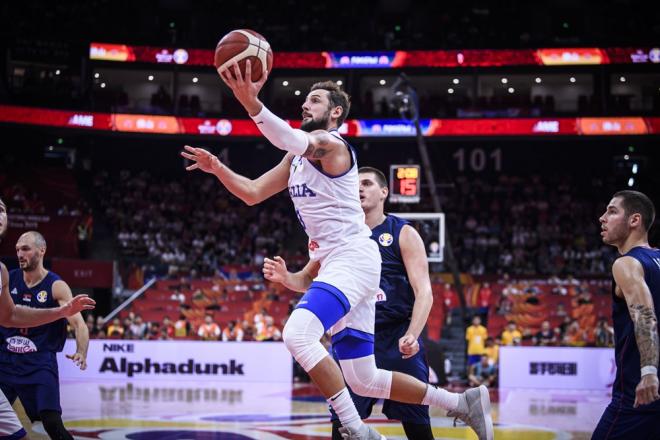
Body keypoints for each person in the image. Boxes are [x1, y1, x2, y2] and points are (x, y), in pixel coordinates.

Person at [181, 62, 493, 440]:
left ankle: (357, 428)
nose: (304, 106)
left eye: (314, 100)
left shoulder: (333, 145)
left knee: (297, 335)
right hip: (341, 262)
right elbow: (252, 192)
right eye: (304, 100)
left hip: (352, 258)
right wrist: (218, 169)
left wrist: (252, 104)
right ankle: (462, 404)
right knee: (363, 379)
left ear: (335, 113)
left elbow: (293, 139)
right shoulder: (295, 158)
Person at [264, 167, 435, 439]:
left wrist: (413, 334)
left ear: (384, 192)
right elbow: (307, 281)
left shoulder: (403, 232)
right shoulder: (338, 232)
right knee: (343, 429)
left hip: (396, 338)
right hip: (354, 337)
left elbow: (424, 290)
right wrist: (287, 278)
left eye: (366, 183)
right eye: (355, 184)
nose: (359, 189)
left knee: (418, 429)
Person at [0, 198, 95, 440]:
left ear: (41, 251)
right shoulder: (7, 277)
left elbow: (79, 325)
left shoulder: (56, 286)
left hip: (39, 363)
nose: (20, 253)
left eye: (26, 249)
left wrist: (82, 351)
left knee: (52, 423)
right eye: (18, 249)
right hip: (5, 361)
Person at [593, 190, 660, 439]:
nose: (602, 218)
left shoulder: (627, 264)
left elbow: (645, 316)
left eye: (612, 211)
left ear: (634, 220)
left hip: (639, 396)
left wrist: (649, 372)